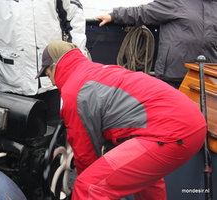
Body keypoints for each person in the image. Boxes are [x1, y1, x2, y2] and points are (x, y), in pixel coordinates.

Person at [36, 40, 207, 200]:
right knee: (147, 182)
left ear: (55, 66)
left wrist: (87, 178)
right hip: (192, 122)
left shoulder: (73, 91)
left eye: (47, 74)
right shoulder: (97, 71)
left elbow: (85, 154)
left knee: (90, 186)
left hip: (171, 132)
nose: (50, 80)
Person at [0, 0, 87, 125]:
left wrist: (71, 60)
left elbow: (75, 17)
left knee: (56, 133)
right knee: (15, 136)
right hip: (10, 81)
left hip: (51, 80)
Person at [95, 0, 217, 89]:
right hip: (174, 75)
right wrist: (114, 15)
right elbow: (144, 12)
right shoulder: (177, 2)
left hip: (207, 77)